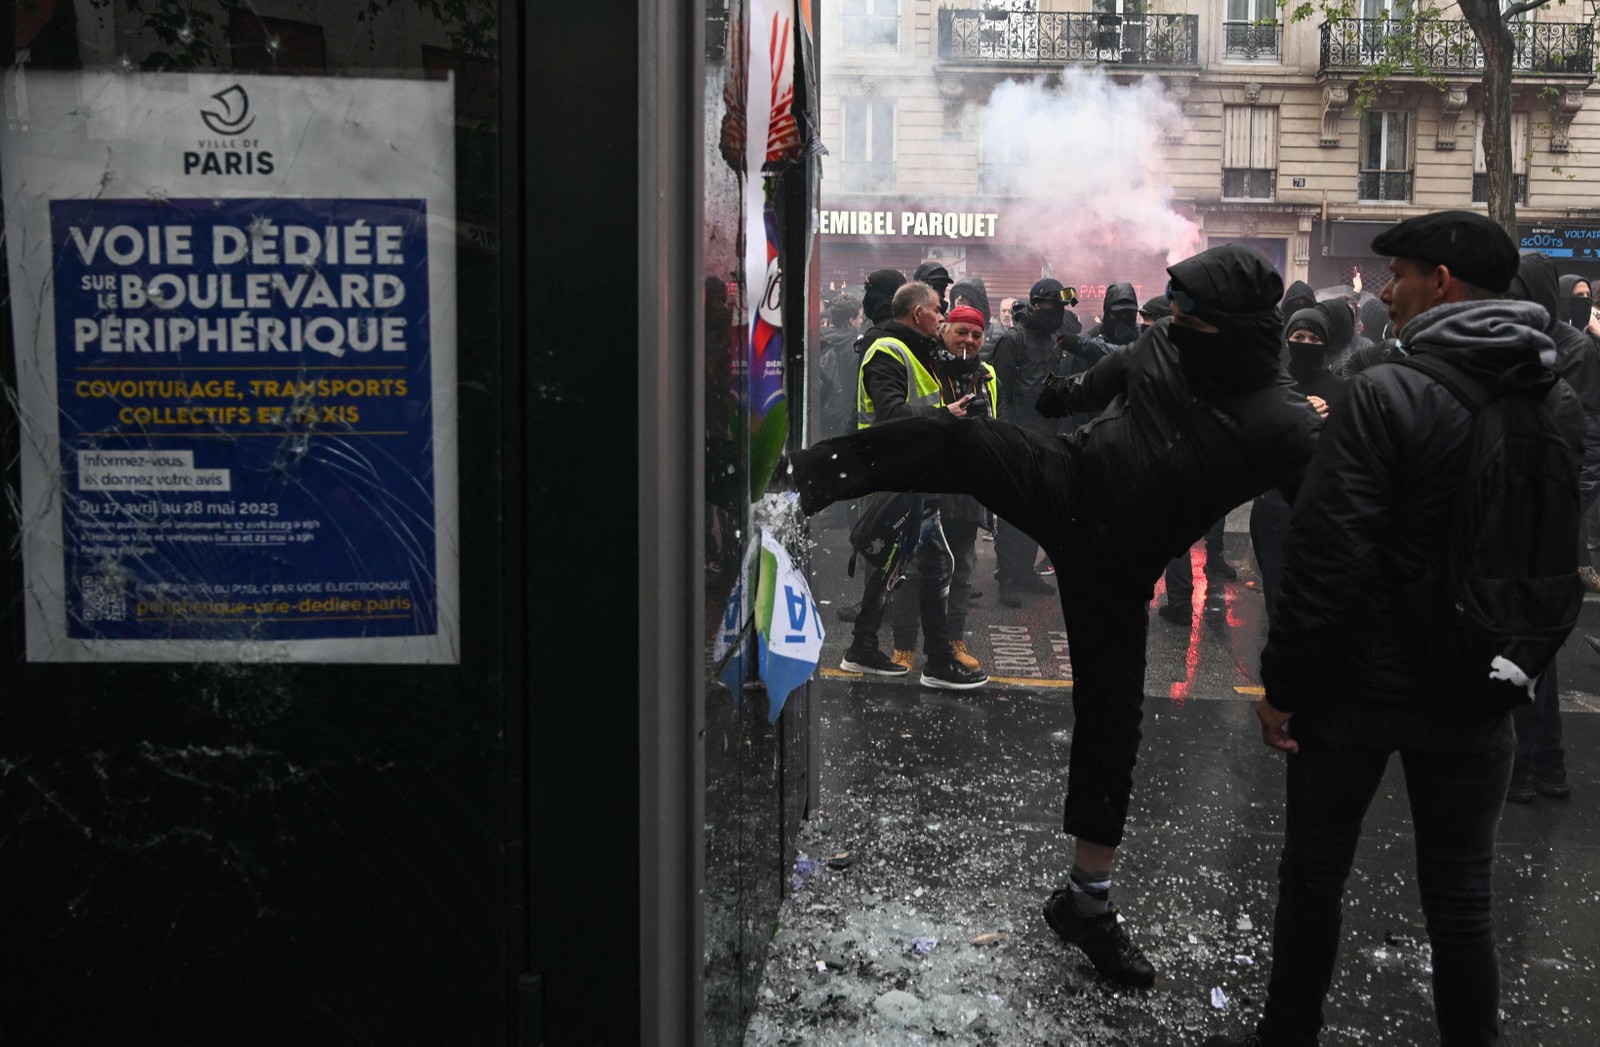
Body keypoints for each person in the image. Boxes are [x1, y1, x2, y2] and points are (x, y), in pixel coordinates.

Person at [788, 244, 1322, 987]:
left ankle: (1086, 904)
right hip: (1066, 479)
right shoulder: (1163, 344)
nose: (1174, 320)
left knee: (1113, 721)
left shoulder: (1286, 422)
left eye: (1190, 311)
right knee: (961, 441)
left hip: (1119, 565)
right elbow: (1080, 389)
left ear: (1232, 326)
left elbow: (1325, 549)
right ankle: (800, 484)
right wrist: (1062, 392)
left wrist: (1286, 680)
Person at [1203, 211, 1582, 1047]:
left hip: (1359, 690)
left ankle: (1289, 1032)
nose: (1384, 291)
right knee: (1462, 899)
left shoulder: (1383, 389)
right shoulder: (1554, 399)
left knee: (1312, 879)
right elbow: (1556, 563)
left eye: (1399, 273)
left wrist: (1285, 689)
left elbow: (1327, 555)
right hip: (1479, 690)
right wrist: (1517, 666)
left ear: (1440, 282)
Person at [835, 281, 988, 690]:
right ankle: (932, 661)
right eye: (938, 309)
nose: (942, 316)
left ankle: (866, 648)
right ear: (918, 312)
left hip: (913, 474)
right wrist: (945, 413)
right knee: (929, 565)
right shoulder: (888, 349)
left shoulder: (913, 349)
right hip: (896, 475)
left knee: (907, 564)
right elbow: (889, 413)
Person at [1503, 252, 1600, 803]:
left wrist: (1566, 506)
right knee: (1529, 639)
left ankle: (1534, 763)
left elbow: (1589, 439)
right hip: (1521, 509)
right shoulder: (1520, 339)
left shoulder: (1574, 348)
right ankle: (1543, 762)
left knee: (1529, 637)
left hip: (1550, 515)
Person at [889, 304, 998, 674]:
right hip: (925, 481)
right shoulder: (924, 369)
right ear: (944, 331)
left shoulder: (988, 374)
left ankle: (954, 641)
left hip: (966, 487)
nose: (969, 340)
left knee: (962, 568)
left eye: (976, 335)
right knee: (914, 569)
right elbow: (905, 419)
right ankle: (904, 646)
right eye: (962, 332)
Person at [1248, 306, 1346, 624]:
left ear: (1326, 343)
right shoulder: (1272, 387)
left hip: (1323, 507)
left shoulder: (1343, 390)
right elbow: (1256, 442)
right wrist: (1299, 414)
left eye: (1314, 338)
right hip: (1273, 507)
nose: (1305, 343)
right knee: (1277, 596)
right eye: (1298, 336)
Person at [987, 278, 1080, 607]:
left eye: (1062, 307)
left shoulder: (1055, 338)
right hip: (1017, 438)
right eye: (1052, 305)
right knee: (1012, 512)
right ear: (1038, 304)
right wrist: (1006, 436)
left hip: (1047, 436)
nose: (1058, 313)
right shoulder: (1015, 338)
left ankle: (1025, 571)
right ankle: (1007, 577)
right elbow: (998, 392)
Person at [835, 270, 908, 624]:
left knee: (876, 535)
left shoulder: (883, 339)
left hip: (881, 455)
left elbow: (880, 406)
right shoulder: (896, 335)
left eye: (872, 291)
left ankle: (875, 609)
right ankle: (886, 604)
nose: (866, 299)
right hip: (889, 452)